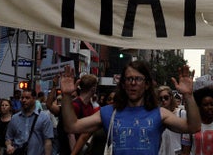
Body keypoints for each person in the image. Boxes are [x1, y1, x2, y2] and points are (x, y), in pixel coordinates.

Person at [59, 61, 201, 155]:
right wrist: (66, 96)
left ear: (146, 85)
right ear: (123, 84)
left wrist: (188, 95)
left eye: (138, 79)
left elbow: (193, 127)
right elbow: (72, 126)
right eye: (129, 79)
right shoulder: (108, 112)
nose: (133, 83)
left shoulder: (159, 113)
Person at [181, 86, 213, 155]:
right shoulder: (190, 126)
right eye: (205, 105)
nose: (209, 107)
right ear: (199, 107)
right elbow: (185, 152)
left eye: (212, 104)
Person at [5, 88, 54, 155]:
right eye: (22, 98)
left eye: (27, 98)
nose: (24, 100)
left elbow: (48, 141)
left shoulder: (44, 118)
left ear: (34, 99)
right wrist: (8, 146)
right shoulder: (14, 118)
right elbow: (9, 137)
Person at [159, 85, 185, 155]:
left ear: (171, 97)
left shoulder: (181, 113)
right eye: (160, 98)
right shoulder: (158, 115)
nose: (163, 100)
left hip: (178, 151)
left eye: (166, 97)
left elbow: (186, 136)